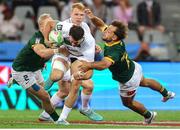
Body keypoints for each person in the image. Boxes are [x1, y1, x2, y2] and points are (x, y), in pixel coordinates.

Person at [78, 9, 175, 125]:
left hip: (128, 79)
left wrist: (88, 65)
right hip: (133, 67)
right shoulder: (113, 37)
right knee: (146, 82)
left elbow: (104, 65)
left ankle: (149, 115)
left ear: (114, 37)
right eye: (107, 29)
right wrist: (92, 16)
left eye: (108, 31)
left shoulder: (114, 49)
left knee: (127, 103)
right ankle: (166, 93)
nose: (105, 31)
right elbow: (100, 24)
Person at [38, 3, 103, 124]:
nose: (79, 17)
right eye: (76, 14)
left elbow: (89, 68)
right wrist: (47, 39)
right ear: (71, 14)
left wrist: (80, 75)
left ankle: (80, 110)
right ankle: (51, 86)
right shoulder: (64, 26)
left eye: (81, 15)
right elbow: (49, 24)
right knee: (59, 80)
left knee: (84, 85)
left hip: (76, 58)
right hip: (62, 54)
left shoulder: (88, 37)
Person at [10, 13, 62, 123]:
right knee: (45, 96)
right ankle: (57, 120)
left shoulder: (52, 37)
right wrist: (57, 50)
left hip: (35, 69)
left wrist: (42, 62)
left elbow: (44, 55)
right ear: (42, 27)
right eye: (49, 23)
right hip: (22, 71)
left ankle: (45, 117)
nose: (52, 25)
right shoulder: (37, 38)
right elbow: (41, 52)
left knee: (44, 92)